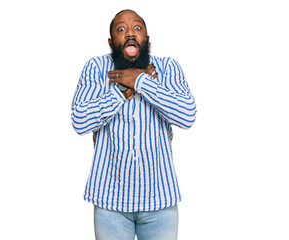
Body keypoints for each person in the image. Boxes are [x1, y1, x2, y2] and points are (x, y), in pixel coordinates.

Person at [71, 9, 197, 240]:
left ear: (147, 39)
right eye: (121, 29)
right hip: (110, 202)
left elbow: (187, 115)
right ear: (111, 42)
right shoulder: (96, 68)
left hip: (160, 201)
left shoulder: (168, 68)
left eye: (137, 28)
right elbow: (80, 121)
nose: (130, 34)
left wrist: (141, 81)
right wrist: (123, 89)